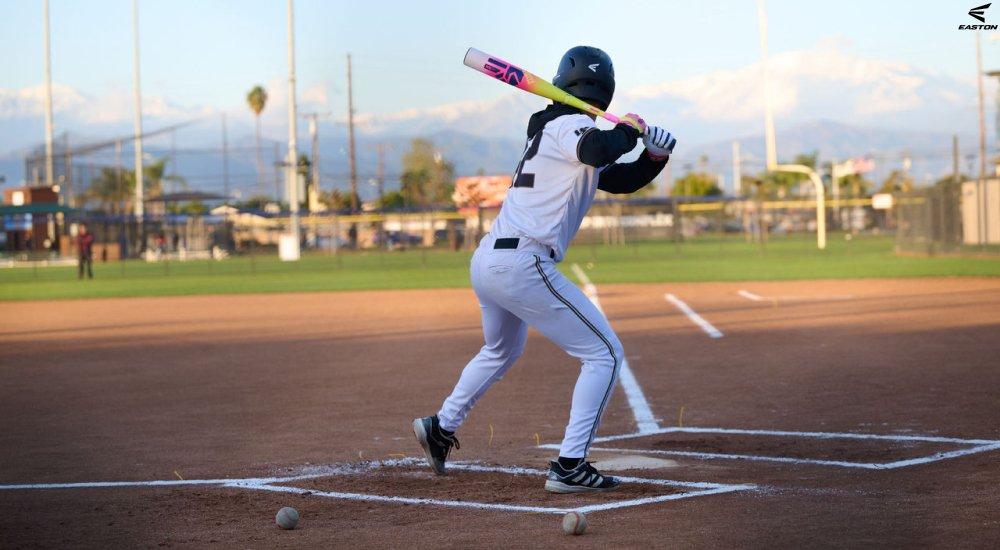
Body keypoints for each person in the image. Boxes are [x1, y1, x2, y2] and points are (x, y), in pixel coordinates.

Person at [412, 46, 676, 493]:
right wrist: (630, 129)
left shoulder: (554, 133)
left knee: (501, 351)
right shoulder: (569, 126)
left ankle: (441, 426)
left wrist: (652, 157)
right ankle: (570, 465)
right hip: (521, 263)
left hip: (490, 261)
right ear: (604, 90)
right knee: (603, 354)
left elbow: (614, 176)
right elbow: (597, 149)